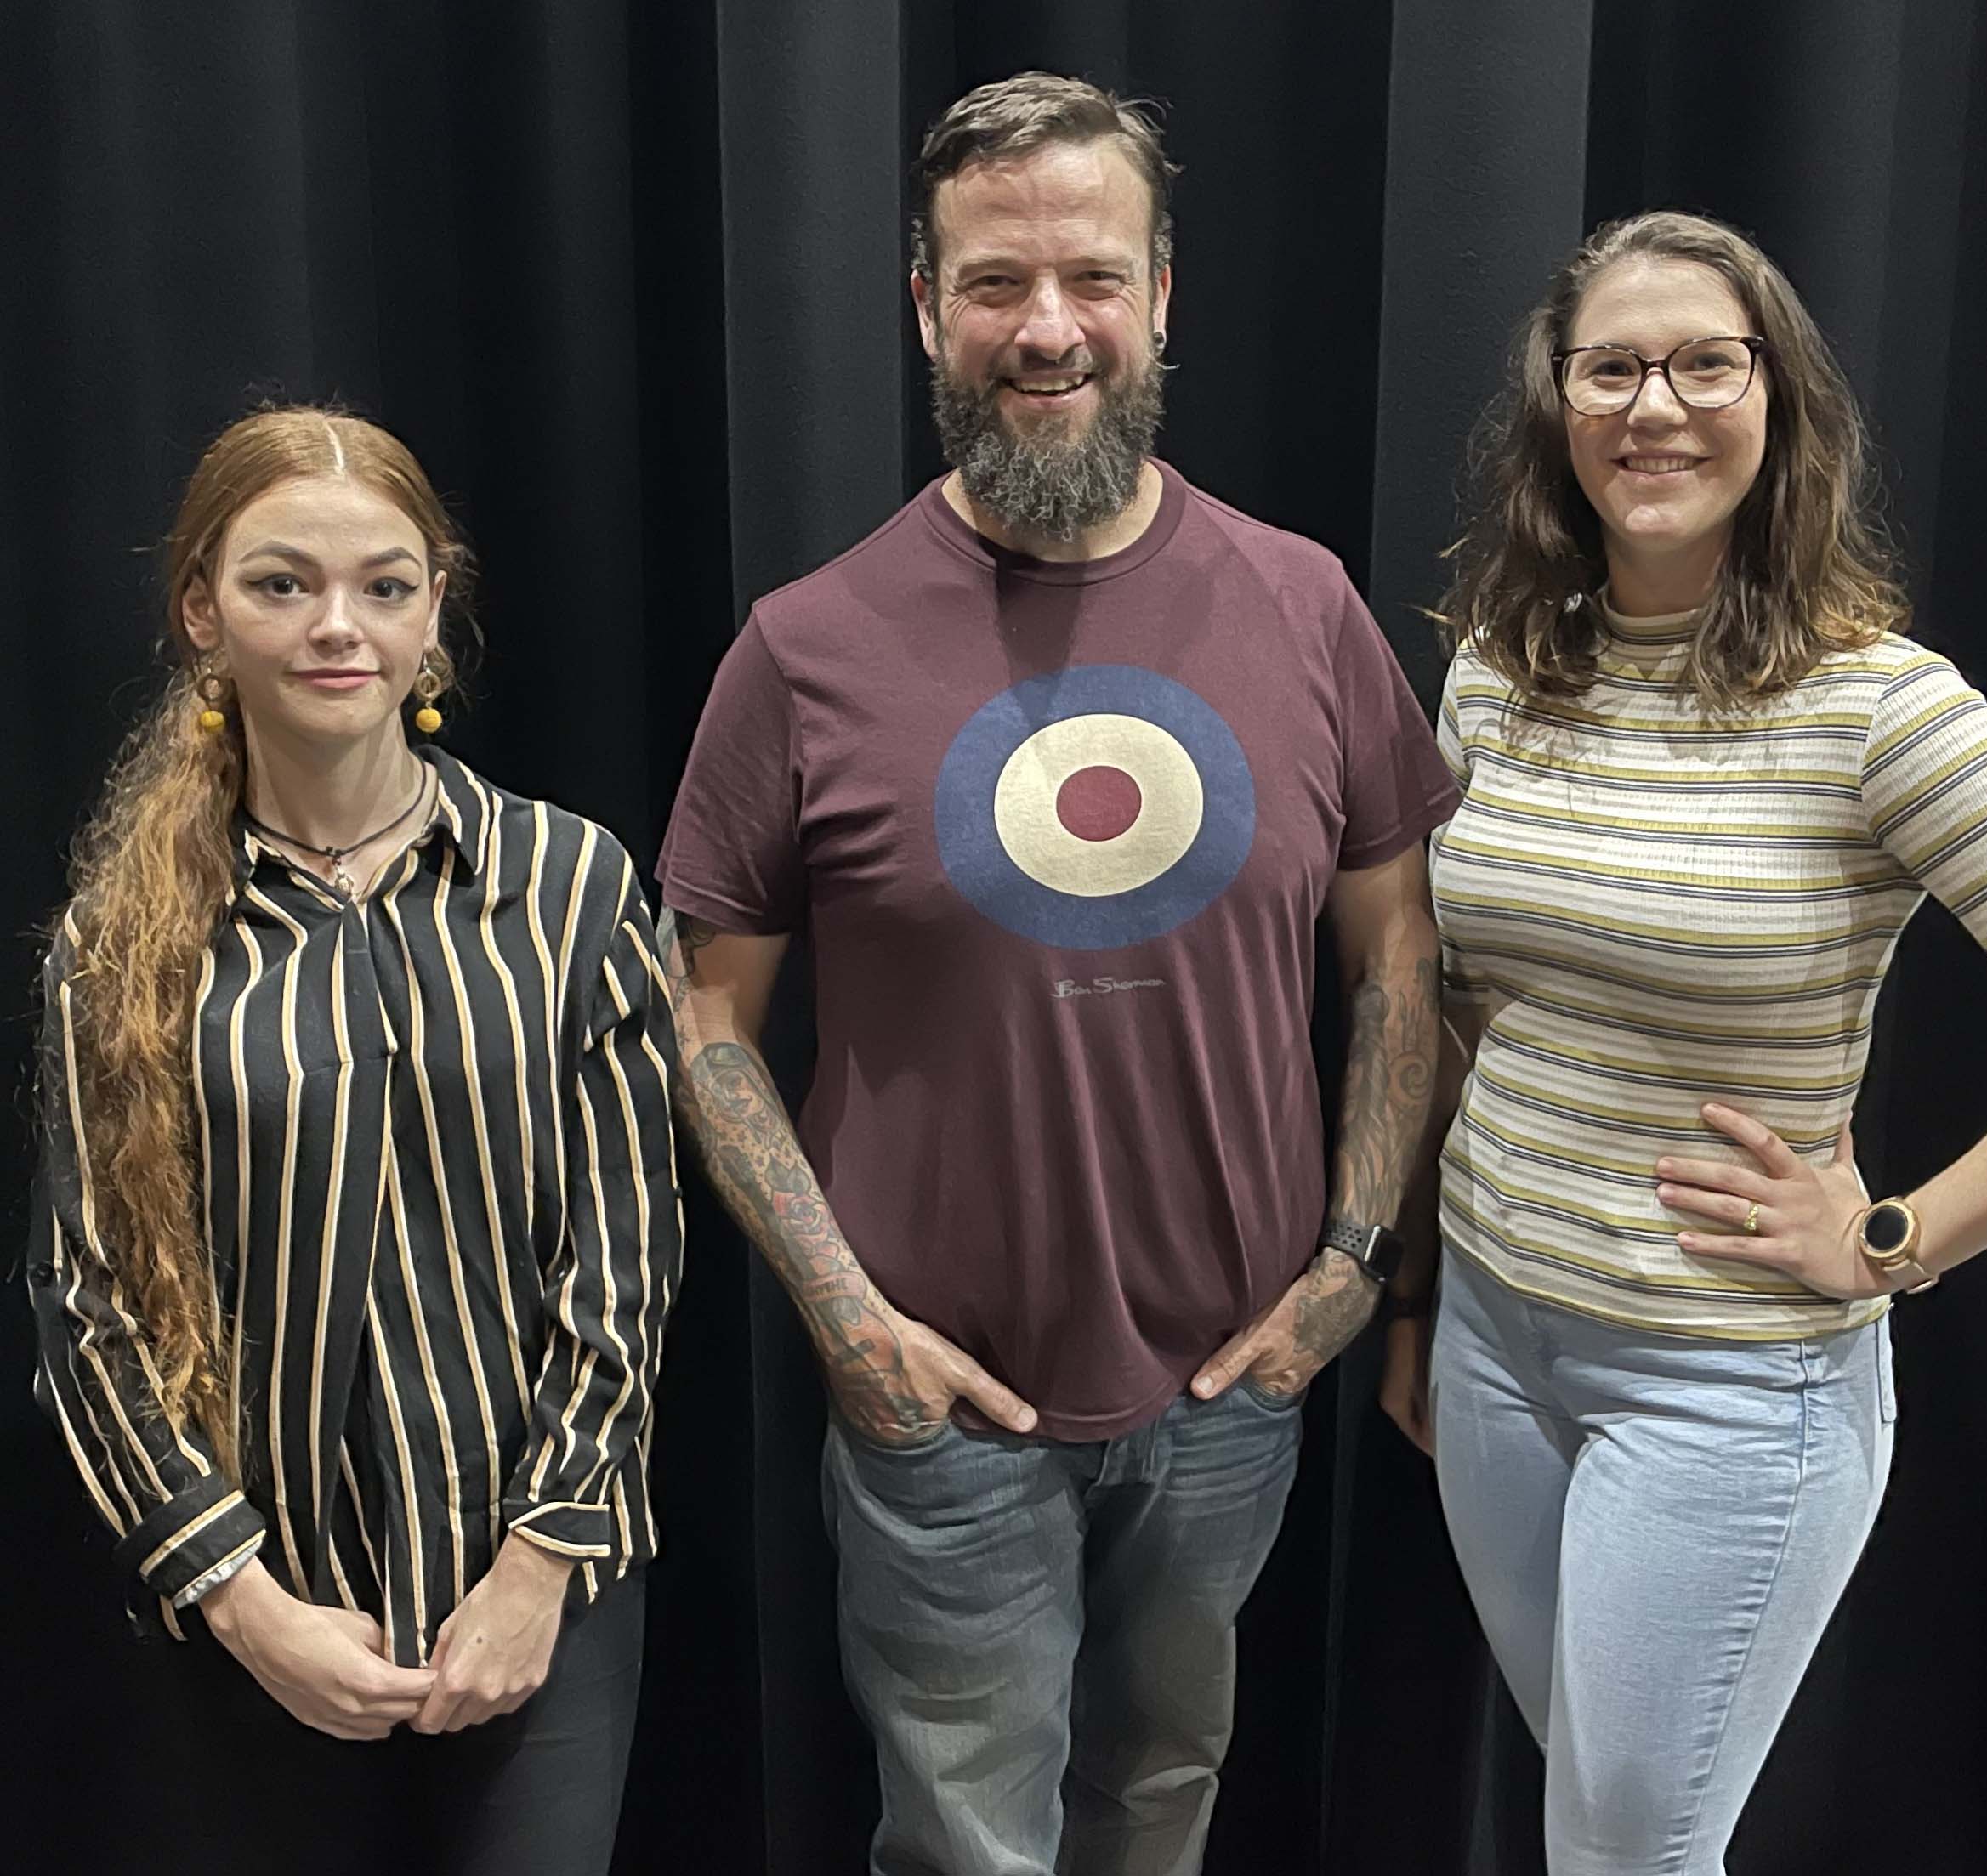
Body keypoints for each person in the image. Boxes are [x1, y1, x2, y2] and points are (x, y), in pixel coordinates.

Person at [656, 72, 1454, 1876]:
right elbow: (706, 1022)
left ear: (1160, 295)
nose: (1047, 329)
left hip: (1231, 1389)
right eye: (994, 283)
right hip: (943, 1408)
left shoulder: (1304, 604)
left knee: (1161, 1802)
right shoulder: (805, 647)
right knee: (962, 1843)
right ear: (925, 310)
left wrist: (1346, 1269)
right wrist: (846, 1323)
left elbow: (1397, 954)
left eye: (1090, 278)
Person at [1382, 210, 1987, 1874]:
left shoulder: (1876, 709)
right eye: (1610, 367)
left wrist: (1888, 1239)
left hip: (1717, 1390)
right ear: (1553, 411)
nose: (1654, 406)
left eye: (1705, 363)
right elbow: (1459, 1003)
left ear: (1778, 406)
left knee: (1627, 1854)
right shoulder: (1493, 674)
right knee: (1601, 1814)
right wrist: (1422, 1298)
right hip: (1493, 1347)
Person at [27, 405, 684, 1876]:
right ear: (201, 610)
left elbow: (623, 1260)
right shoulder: (122, 941)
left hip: (538, 1604)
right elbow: (89, 1306)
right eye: (282, 584)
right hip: (257, 1617)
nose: (340, 627)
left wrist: (538, 1568)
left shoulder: (570, 885)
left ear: (433, 610)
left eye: (385, 586)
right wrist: (240, 1598)